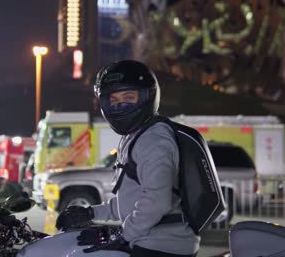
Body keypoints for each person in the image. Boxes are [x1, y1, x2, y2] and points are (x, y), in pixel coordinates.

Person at [56, 60, 199, 256]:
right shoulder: (136, 135)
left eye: (128, 96)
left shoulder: (154, 139)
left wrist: (120, 235)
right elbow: (131, 201)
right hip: (149, 241)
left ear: (147, 96)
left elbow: (157, 202)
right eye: (113, 100)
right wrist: (91, 213)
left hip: (162, 247)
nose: (120, 104)